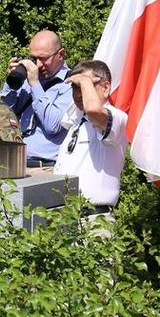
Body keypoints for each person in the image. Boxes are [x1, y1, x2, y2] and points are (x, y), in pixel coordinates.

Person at [53, 60, 127, 221]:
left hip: (94, 219)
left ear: (106, 87)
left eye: (85, 87)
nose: (79, 94)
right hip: (66, 217)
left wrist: (84, 80)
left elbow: (93, 109)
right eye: (75, 87)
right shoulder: (75, 123)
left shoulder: (117, 117)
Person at [0, 29, 73, 168]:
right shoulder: (27, 78)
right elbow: (2, 113)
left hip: (46, 166)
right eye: (34, 58)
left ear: (61, 54)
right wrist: (11, 84)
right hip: (15, 162)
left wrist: (35, 84)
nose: (38, 65)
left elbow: (53, 125)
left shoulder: (71, 84)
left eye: (43, 58)